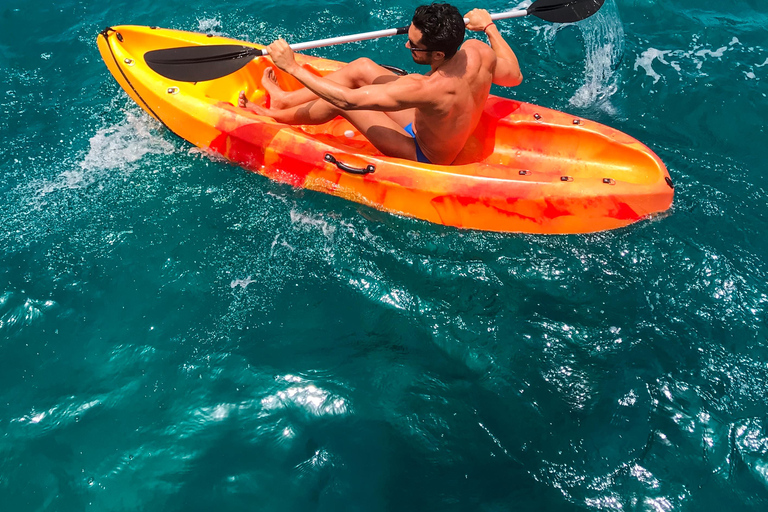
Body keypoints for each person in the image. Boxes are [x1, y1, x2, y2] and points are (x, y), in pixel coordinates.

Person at [239, 4, 522, 165]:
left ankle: (274, 115)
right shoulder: (478, 50)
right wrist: (489, 26)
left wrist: (292, 67)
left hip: (426, 152)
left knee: (344, 102)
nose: (406, 44)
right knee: (362, 67)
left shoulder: (425, 88)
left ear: (438, 54)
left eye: (414, 46)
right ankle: (285, 100)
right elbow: (513, 77)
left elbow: (347, 101)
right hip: (436, 124)